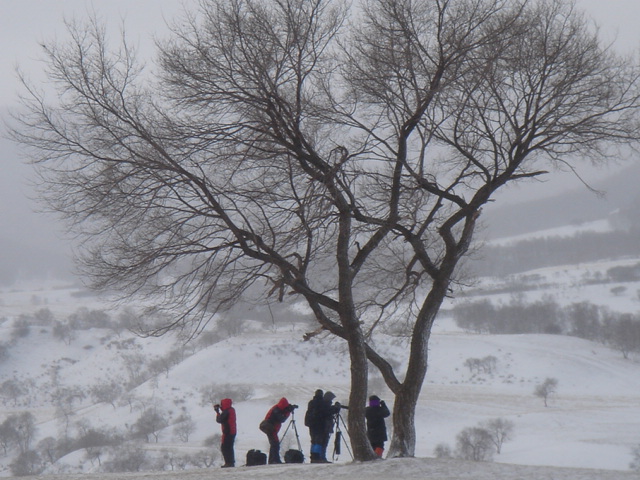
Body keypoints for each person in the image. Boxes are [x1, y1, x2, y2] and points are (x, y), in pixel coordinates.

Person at [260, 397, 298, 464]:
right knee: (275, 443)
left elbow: (283, 411)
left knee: (274, 444)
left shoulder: (278, 408)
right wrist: (288, 412)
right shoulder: (276, 410)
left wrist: (289, 408)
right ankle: (274, 460)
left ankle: (273, 460)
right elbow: (282, 419)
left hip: (270, 427)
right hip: (270, 427)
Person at [317, 391, 342, 463]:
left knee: (322, 442)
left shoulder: (323, 404)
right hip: (324, 427)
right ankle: (322, 458)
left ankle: (321, 457)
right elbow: (329, 412)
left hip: (323, 427)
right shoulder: (325, 404)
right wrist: (336, 408)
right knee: (323, 442)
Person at [304, 389, 326, 463]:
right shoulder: (322, 403)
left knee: (313, 441)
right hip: (319, 424)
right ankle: (317, 457)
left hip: (312, 424)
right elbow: (326, 411)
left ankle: (313, 456)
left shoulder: (311, 402)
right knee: (318, 441)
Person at [214, 398, 237, 468]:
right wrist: (220, 409)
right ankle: (231, 462)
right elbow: (225, 414)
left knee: (225, 448)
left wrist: (217, 412)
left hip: (228, 432)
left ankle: (228, 463)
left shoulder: (226, 412)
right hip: (232, 431)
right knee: (229, 447)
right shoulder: (231, 410)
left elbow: (219, 420)